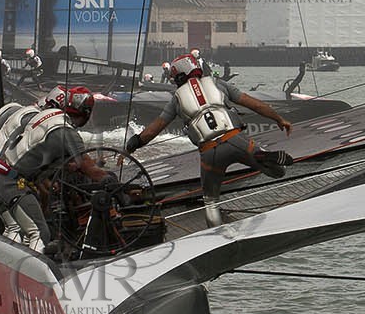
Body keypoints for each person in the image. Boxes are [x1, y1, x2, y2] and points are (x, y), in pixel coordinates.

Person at [125, 52, 294, 225]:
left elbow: (154, 129)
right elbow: (256, 105)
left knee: (211, 201)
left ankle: (215, 238)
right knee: (279, 172)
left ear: (179, 76)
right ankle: (261, 155)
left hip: (209, 152)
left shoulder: (176, 99)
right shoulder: (219, 84)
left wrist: (133, 144)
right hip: (235, 139)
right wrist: (279, 119)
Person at [0, 85, 114, 250]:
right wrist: (110, 181)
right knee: (40, 233)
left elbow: (43, 152)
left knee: (24, 231)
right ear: (87, 113)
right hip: (13, 184)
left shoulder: (48, 115)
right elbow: (88, 168)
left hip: (2, 177)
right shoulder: (68, 133)